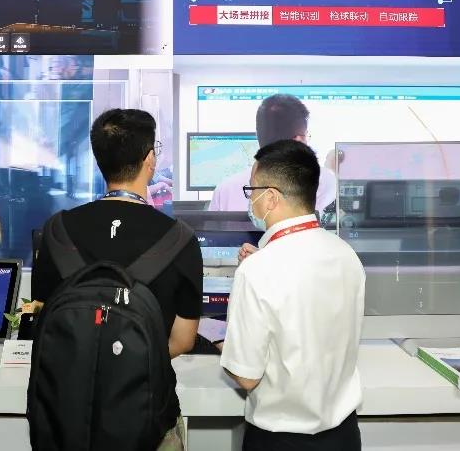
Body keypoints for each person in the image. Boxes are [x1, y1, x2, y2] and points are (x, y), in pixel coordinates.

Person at [31, 108, 203, 450]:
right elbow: (183, 340)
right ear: (149, 159)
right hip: (146, 416)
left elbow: (42, 316)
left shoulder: (57, 230)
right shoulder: (180, 239)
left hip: (68, 417)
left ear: (99, 159)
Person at [220, 139, 365, 451]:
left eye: (252, 191)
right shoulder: (346, 254)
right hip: (344, 437)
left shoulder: (257, 270)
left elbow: (246, 376)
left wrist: (224, 342)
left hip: (281, 441)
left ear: (271, 198)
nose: (251, 200)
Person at [208, 94, 337, 214]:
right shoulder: (324, 182)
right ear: (298, 140)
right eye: (305, 135)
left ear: (258, 135)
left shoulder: (224, 190)